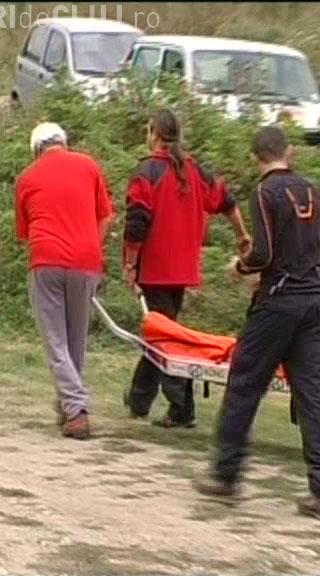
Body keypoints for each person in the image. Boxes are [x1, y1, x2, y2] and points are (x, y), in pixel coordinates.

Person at [194, 126, 320, 520]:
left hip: (277, 301)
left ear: (255, 157)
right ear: (288, 151)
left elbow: (264, 253)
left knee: (244, 382)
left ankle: (226, 474)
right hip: (313, 299)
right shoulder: (313, 191)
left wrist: (241, 267)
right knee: (313, 394)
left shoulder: (265, 193)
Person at [122, 109, 251, 428]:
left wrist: (129, 264)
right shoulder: (195, 171)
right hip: (182, 270)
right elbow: (228, 202)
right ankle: (138, 399)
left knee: (164, 339)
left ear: (153, 134)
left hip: (155, 269)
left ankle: (181, 408)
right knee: (159, 333)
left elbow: (137, 223)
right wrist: (242, 235)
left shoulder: (148, 172)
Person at [15, 122, 114, 440]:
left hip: (46, 260)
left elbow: (24, 233)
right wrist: (91, 247)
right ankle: (69, 403)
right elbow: (105, 216)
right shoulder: (89, 165)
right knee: (75, 340)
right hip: (87, 260)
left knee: (56, 341)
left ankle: (76, 411)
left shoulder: (26, 177)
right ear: (64, 142)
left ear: (36, 149)